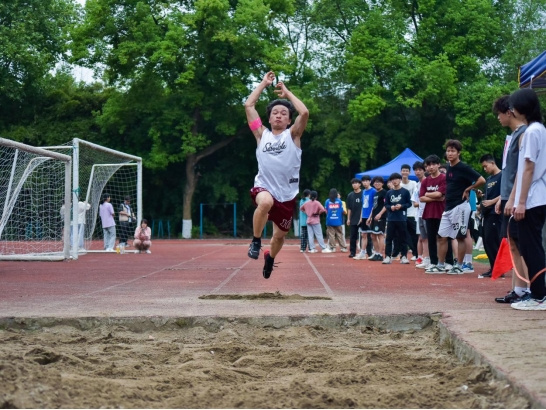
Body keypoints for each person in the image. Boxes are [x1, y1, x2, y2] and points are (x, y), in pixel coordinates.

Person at [245, 71, 309, 279]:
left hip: (287, 195)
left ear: (289, 120)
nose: (279, 115)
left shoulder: (293, 135)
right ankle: (255, 240)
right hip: (264, 187)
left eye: (283, 113)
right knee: (264, 203)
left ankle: (270, 258)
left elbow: (305, 113)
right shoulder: (260, 134)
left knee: (279, 238)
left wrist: (287, 93)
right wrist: (263, 84)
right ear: (269, 117)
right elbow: (248, 106)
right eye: (275, 112)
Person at [507, 89, 546, 310]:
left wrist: (520, 202)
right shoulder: (538, 130)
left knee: (531, 248)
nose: (511, 111)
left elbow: (529, 168)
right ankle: (538, 292)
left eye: (513, 107)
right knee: (531, 247)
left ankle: (539, 295)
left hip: (532, 198)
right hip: (534, 197)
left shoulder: (532, 132)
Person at [492, 95, 530, 303]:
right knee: (513, 243)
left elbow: (524, 170)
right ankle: (519, 289)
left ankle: (529, 288)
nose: (498, 118)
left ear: (509, 112)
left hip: (517, 198)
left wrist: (514, 198)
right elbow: (508, 170)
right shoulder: (512, 136)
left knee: (522, 244)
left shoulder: (525, 134)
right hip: (508, 196)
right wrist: (502, 197)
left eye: (499, 114)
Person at [437, 140, 485, 274]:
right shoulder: (449, 167)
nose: (450, 153)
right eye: (448, 151)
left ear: (459, 153)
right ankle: (440, 265)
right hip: (448, 206)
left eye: (453, 151)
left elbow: (482, 180)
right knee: (441, 236)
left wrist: (469, 189)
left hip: (461, 206)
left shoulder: (463, 167)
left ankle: (459, 265)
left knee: (460, 236)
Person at [419, 155, 447, 273]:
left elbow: (440, 195)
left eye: (433, 164)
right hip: (429, 213)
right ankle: (433, 262)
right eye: (428, 165)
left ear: (438, 165)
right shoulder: (425, 180)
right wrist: (435, 195)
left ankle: (447, 262)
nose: (430, 167)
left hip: (442, 212)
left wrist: (429, 194)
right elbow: (421, 198)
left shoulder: (444, 178)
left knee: (444, 238)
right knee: (431, 239)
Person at [478, 154, 502, 278]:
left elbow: (505, 193)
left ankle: (498, 269)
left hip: (496, 213)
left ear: (492, 163)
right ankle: (493, 268)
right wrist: (481, 199)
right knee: (487, 242)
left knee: (493, 241)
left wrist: (492, 202)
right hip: (486, 214)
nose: (485, 169)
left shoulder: (502, 176)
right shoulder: (489, 179)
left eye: (485, 166)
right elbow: (487, 197)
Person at [382, 173, 412, 264]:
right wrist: (390, 208)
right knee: (389, 238)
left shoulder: (405, 192)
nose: (394, 181)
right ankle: (387, 256)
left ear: (400, 180)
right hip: (391, 218)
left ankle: (404, 256)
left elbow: (409, 204)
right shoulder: (389, 192)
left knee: (403, 238)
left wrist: (401, 206)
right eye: (392, 180)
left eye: (396, 179)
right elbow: (386, 204)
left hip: (402, 218)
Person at [412, 161, 430, 268]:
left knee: (431, 237)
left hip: (428, 213)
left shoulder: (428, 182)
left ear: (424, 170)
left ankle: (433, 259)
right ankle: (426, 259)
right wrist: (421, 201)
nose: (418, 172)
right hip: (420, 214)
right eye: (416, 170)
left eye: (420, 170)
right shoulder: (417, 185)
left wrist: (422, 201)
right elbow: (415, 203)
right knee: (423, 238)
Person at [354, 175, 375, 260]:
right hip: (364, 216)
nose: (365, 183)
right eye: (364, 181)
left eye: (367, 181)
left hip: (370, 216)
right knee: (363, 234)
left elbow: (374, 205)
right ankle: (362, 252)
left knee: (373, 235)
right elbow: (363, 205)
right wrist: (361, 217)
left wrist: (371, 216)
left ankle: (375, 252)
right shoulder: (363, 192)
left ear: (370, 181)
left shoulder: (373, 191)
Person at [400, 164, 418, 260]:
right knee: (404, 235)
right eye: (403, 170)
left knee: (414, 235)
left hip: (412, 213)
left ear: (409, 172)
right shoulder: (399, 185)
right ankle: (405, 254)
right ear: (401, 172)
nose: (405, 172)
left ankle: (416, 254)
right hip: (402, 214)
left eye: (407, 171)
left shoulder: (414, 183)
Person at [368, 176, 387, 261]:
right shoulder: (375, 193)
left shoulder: (384, 193)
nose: (377, 184)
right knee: (373, 235)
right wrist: (370, 217)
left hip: (381, 217)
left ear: (382, 183)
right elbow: (373, 206)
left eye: (379, 182)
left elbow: (386, 205)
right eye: (375, 182)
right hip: (374, 217)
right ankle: (376, 253)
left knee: (380, 235)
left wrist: (380, 214)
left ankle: (380, 254)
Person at [346, 178, 363, 258]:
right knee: (353, 236)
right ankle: (352, 252)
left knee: (365, 235)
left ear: (360, 184)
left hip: (363, 218)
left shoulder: (363, 193)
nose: (354, 185)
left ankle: (368, 251)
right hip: (353, 218)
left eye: (356, 183)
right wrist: (348, 219)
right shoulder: (350, 195)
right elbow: (349, 208)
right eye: (353, 183)